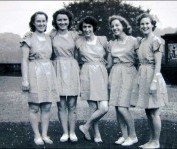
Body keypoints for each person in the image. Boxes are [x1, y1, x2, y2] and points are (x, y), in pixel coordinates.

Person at [21, 11, 60, 145]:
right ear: (33, 23)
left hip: (48, 72)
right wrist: (25, 79)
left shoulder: (50, 37)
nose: (41, 24)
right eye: (38, 21)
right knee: (34, 107)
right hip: (34, 72)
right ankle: (36, 135)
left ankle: (44, 135)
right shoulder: (28, 38)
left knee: (47, 106)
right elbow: (24, 61)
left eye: (44, 21)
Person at [132, 13, 168, 149]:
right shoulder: (141, 41)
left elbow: (158, 64)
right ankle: (151, 140)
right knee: (148, 111)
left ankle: (156, 142)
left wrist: (154, 82)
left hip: (153, 76)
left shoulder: (155, 41)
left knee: (154, 112)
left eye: (147, 23)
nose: (144, 26)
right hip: (143, 75)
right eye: (142, 24)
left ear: (152, 25)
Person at [76, 16, 110, 143]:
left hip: (101, 73)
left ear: (94, 27)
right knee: (92, 107)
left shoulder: (102, 39)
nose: (87, 29)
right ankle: (97, 135)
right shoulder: (79, 41)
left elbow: (110, 52)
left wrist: (108, 64)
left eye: (89, 26)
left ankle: (85, 126)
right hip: (86, 73)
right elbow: (59, 33)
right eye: (84, 27)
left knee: (104, 107)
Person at [107, 15, 138, 146]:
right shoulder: (111, 43)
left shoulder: (134, 41)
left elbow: (141, 58)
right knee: (116, 106)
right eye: (112, 26)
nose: (115, 28)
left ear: (123, 26)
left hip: (129, 73)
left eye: (117, 25)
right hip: (115, 73)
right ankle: (124, 135)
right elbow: (108, 64)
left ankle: (133, 135)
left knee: (123, 107)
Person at [50, 9, 80, 143]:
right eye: (59, 20)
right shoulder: (51, 35)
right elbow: (37, 37)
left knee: (72, 104)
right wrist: (28, 34)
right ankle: (65, 132)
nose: (62, 22)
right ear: (56, 22)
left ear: (69, 21)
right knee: (61, 104)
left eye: (65, 19)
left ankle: (72, 132)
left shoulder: (75, 35)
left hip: (72, 68)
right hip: (57, 68)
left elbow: (89, 42)